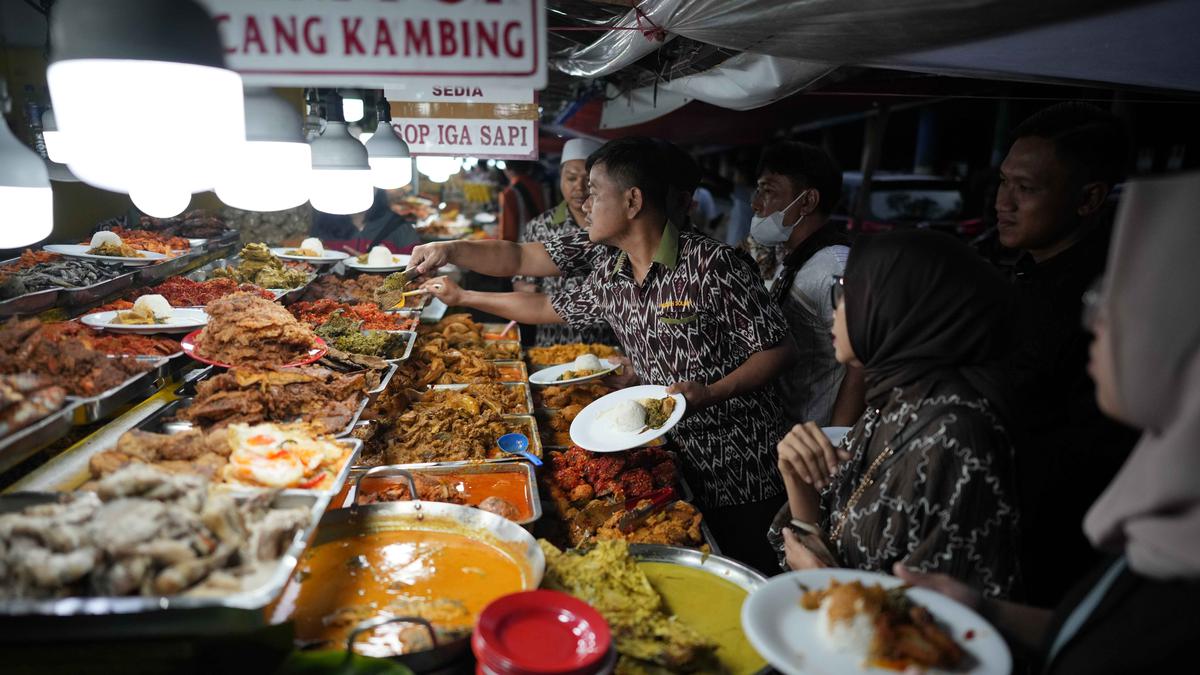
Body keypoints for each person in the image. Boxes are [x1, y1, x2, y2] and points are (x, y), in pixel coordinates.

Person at [421, 137, 798, 574]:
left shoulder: (713, 266)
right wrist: (458, 278)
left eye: (596, 191)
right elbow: (543, 300)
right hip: (667, 453)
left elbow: (780, 350)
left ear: (633, 200)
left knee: (748, 572)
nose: (585, 198)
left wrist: (711, 392)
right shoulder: (611, 270)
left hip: (739, 463)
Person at [898, 171, 1200, 673]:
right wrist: (987, 610)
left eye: (1112, 295)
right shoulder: (1164, 526)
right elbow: (1095, 632)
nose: (1095, 320)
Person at [770, 230, 1020, 599]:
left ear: (898, 310)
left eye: (846, 293)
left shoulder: (957, 438)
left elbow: (936, 629)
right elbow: (808, 544)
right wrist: (796, 477)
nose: (835, 309)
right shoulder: (890, 403)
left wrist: (829, 584)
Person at [997, 102, 1140, 605]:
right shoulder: (1015, 270)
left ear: (1089, 199)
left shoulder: (1109, 301)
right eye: (1004, 181)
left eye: (1026, 188)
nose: (1003, 202)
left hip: (1048, 544)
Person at [750, 142, 865, 430]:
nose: (756, 203)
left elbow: (863, 364)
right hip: (792, 432)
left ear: (807, 201)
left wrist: (837, 439)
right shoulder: (793, 256)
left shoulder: (835, 267)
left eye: (769, 191)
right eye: (759, 190)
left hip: (819, 438)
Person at [512, 138, 616, 347]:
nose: (579, 187)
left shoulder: (616, 226)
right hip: (555, 343)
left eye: (587, 181)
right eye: (571, 178)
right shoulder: (540, 226)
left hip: (609, 343)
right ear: (560, 178)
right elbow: (521, 281)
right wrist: (542, 298)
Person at [310, 188, 420, 254]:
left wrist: (386, 263)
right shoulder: (322, 227)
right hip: (330, 291)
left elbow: (419, 268)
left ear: (376, 189)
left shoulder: (399, 227)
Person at [498, 160, 547, 242]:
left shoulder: (509, 193)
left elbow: (508, 229)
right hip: (542, 238)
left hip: (522, 244)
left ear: (508, 169)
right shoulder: (539, 187)